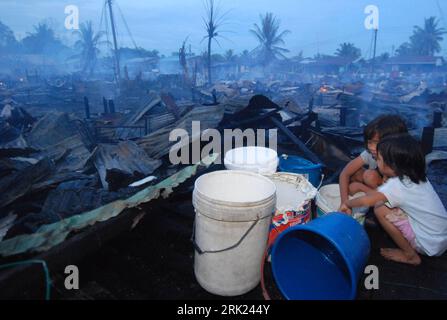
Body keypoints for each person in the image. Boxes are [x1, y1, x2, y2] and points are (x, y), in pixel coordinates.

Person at [340, 134, 447, 265]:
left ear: (392, 165)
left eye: (378, 159)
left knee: (380, 209)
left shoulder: (397, 186)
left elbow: (366, 201)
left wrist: (347, 203)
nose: (376, 162)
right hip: (441, 238)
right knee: (386, 203)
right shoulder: (416, 176)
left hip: (427, 244)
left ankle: (410, 255)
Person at [338, 115, 408, 214]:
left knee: (363, 181)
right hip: (382, 191)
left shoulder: (402, 166)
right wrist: (344, 203)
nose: (370, 147)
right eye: (369, 142)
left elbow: (392, 198)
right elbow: (345, 173)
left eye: (375, 142)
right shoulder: (370, 153)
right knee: (357, 173)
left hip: (393, 200)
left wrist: (360, 187)